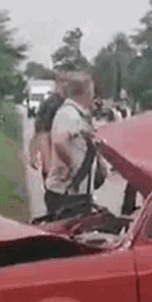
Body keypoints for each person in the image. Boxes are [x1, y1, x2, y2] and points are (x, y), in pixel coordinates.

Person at [43, 71, 107, 218]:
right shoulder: (69, 114)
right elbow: (60, 142)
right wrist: (74, 168)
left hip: (76, 193)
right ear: (86, 92)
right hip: (67, 193)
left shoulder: (78, 114)